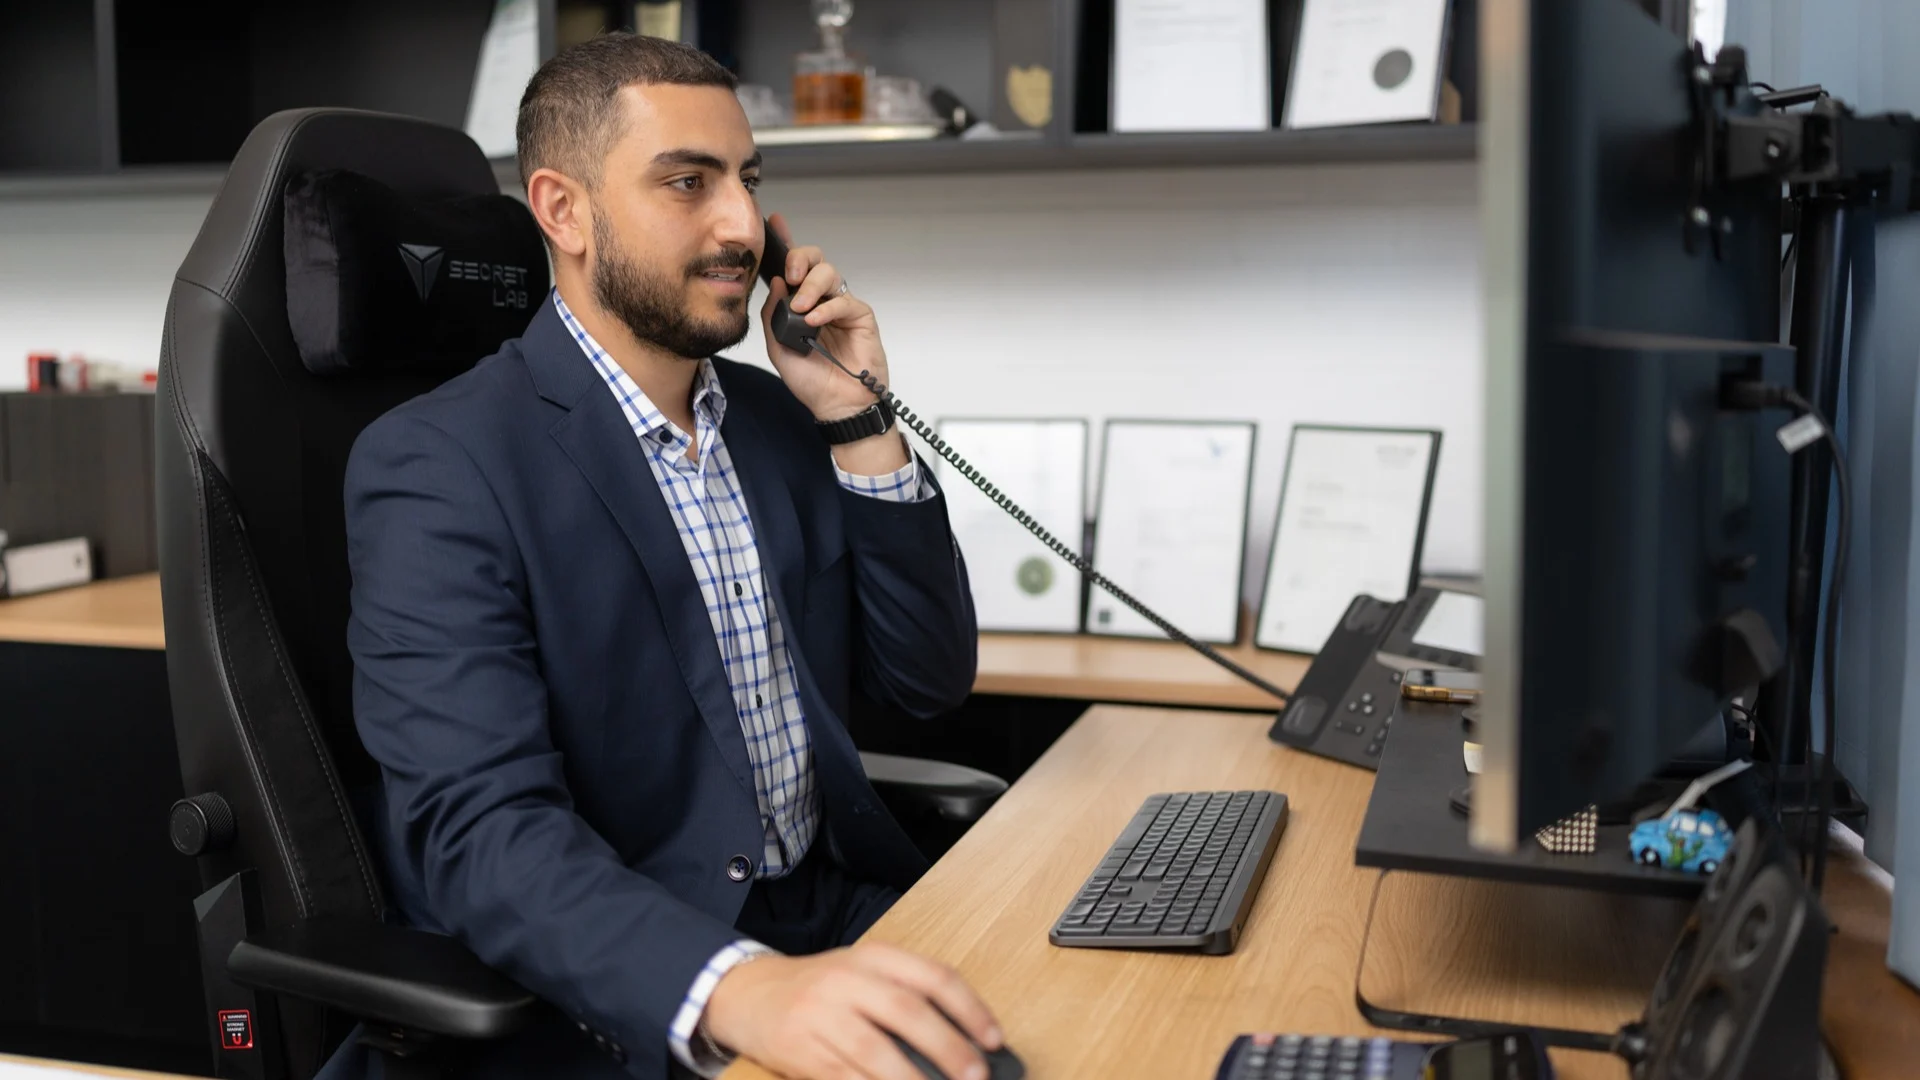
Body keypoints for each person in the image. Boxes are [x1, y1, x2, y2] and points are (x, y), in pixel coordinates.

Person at [329, 31, 1001, 1080]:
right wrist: (741, 987)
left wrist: (862, 423)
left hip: (832, 917)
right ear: (564, 211)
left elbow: (927, 682)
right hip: (622, 989)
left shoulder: (782, 425)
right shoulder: (438, 464)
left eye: (749, 181)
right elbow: (481, 834)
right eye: (687, 183)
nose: (741, 225)